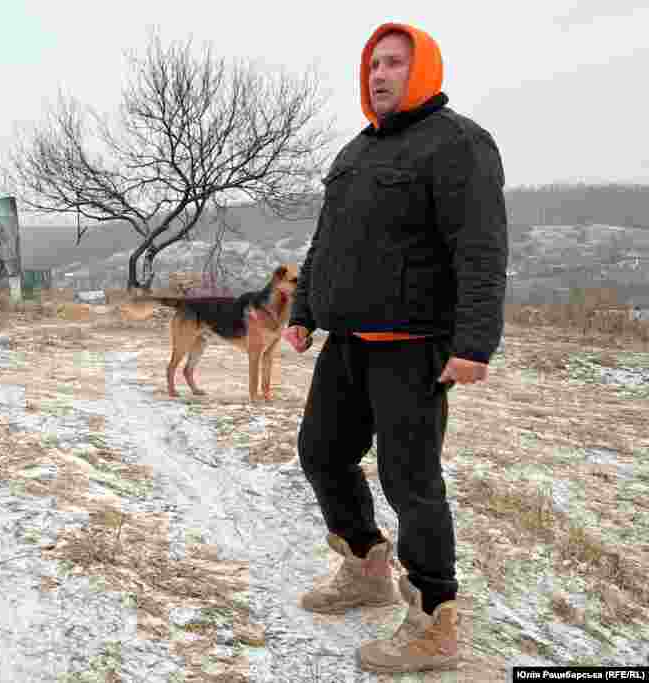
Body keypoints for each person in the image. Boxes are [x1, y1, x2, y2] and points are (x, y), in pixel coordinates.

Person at [286, 22, 508, 673]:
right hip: (349, 342)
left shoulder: (458, 144)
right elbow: (323, 243)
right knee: (321, 451)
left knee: (410, 481)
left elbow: (482, 250)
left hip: (415, 349)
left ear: (423, 71)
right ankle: (365, 563)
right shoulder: (353, 153)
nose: (379, 74)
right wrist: (304, 309)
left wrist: (474, 343)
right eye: (373, 65)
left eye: (393, 63)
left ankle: (436, 620)